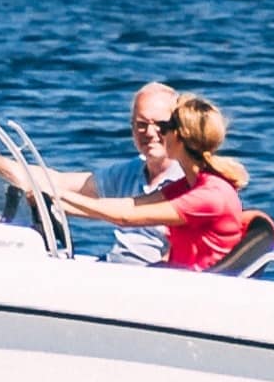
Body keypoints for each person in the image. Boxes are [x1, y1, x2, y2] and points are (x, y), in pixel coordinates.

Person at [29, 94, 253, 271]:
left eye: (164, 129)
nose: (158, 135)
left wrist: (59, 192)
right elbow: (131, 205)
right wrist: (54, 202)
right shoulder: (190, 184)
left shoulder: (209, 196)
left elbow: (126, 218)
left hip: (193, 292)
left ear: (180, 137)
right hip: (179, 279)